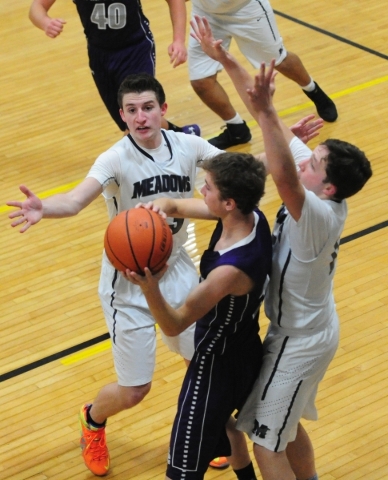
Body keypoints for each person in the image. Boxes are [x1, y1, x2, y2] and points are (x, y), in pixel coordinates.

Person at [7, 73, 224, 477]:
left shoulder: (189, 146)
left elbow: (233, 170)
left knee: (203, 360)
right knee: (135, 391)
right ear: (122, 116)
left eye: (147, 108)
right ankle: (92, 419)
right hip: (128, 283)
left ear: (163, 110)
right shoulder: (115, 158)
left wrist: (286, 146)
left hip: (175, 270)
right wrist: (45, 208)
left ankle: (207, 431)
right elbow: (74, 200)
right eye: (131, 110)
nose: (140, 118)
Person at [190, 16, 372, 480]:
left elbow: (283, 167)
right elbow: (259, 108)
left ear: (327, 187)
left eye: (315, 163)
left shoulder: (316, 214)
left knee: (266, 442)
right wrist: (224, 56)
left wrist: (271, 114)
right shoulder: (321, 193)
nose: (306, 159)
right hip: (299, 330)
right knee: (282, 430)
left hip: (303, 341)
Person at [125, 150, 272, 480]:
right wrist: (159, 208)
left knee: (181, 471)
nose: (201, 191)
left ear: (230, 202)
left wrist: (149, 286)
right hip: (247, 346)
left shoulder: (229, 271)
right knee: (229, 426)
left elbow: (173, 324)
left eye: (207, 187)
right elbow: (175, 205)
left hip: (214, 366)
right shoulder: (252, 218)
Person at [29, 0, 200, 136]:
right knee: (126, 119)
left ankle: (151, 169)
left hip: (136, 49)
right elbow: (36, 7)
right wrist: (45, 22)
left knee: (135, 116)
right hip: (100, 55)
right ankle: (181, 135)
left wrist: (178, 40)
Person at [187, 0, 337, 149]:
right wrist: (178, 40)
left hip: (247, 9)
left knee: (279, 61)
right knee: (200, 80)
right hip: (205, 12)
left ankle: (313, 90)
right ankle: (236, 129)